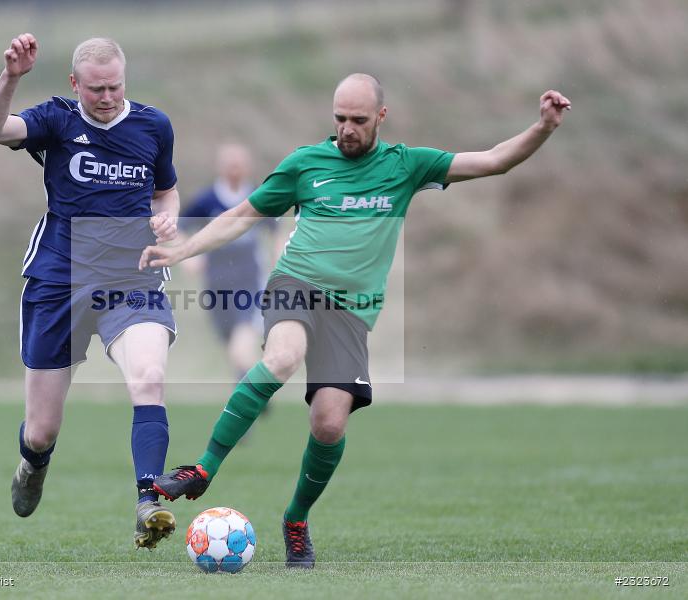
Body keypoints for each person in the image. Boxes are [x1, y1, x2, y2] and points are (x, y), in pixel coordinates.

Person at [140, 74, 571, 567]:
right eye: (339, 118)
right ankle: (202, 470)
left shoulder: (407, 165)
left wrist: (543, 128)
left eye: (358, 120)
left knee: (327, 425)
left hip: (349, 313)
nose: (346, 129)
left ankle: (296, 520)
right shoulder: (306, 164)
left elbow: (494, 160)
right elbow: (242, 215)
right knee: (281, 356)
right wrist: (185, 247)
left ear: (380, 118)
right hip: (295, 285)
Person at [0, 33, 182, 549]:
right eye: (95, 89)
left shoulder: (154, 125)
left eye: (114, 87)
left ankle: (147, 501)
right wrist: (12, 76)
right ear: (75, 84)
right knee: (41, 430)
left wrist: (168, 217)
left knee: (149, 378)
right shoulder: (57, 119)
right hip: (59, 279)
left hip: (131, 278)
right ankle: (33, 464)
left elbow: (166, 188)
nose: (107, 97)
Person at [181, 143, 276, 383]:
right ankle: (253, 386)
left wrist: (279, 258)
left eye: (239, 165)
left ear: (248, 167)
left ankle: (249, 398)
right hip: (216, 284)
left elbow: (276, 230)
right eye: (230, 165)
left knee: (241, 345)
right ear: (220, 168)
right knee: (233, 348)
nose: (235, 170)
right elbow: (179, 228)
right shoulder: (206, 200)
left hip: (250, 281)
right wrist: (189, 256)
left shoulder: (257, 197)